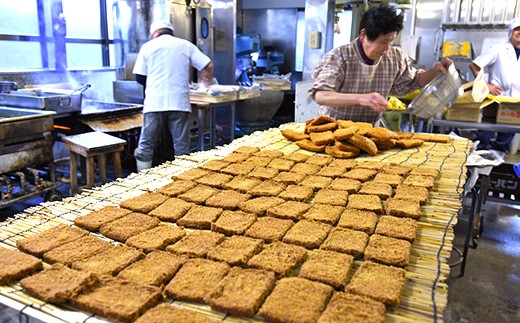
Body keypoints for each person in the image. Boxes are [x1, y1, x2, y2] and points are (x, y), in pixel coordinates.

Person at [309, 4, 452, 125]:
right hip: (333, 131)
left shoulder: (394, 57)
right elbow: (321, 95)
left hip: (368, 133)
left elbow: (409, 83)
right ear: (364, 35)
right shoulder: (339, 57)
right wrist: (361, 98)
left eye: (391, 41)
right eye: (384, 42)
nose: (387, 48)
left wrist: (434, 72)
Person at [133, 20, 214, 171]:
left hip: (154, 102)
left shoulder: (148, 46)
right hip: (179, 102)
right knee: (181, 146)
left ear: (155, 33)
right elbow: (207, 64)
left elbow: (139, 77)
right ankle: (182, 180)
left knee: (146, 145)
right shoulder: (185, 45)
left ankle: (142, 181)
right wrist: (204, 82)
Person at [469, 17, 520, 153]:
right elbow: (475, 65)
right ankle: (474, 167)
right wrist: (486, 85)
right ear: (511, 31)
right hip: (495, 99)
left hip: (515, 103)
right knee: (483, 137)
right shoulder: (499, 49)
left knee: (504, 141)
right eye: (517, 29)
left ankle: (493, 169)